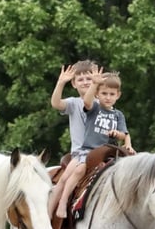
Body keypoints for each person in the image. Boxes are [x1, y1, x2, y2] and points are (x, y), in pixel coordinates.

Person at [55, 68, 135, 219]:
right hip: (89, 151)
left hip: (108, 152)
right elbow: (87, 101)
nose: (108, 97)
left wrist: (124, 140)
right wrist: (94, 84)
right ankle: (63, 201)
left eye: (112, 94)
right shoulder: (95, 108)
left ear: (118, 95)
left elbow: (124, 134)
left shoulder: (118, 115)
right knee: (79, 170)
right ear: (98, 94)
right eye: (104, 94)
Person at [47, 59, 99, 218]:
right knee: (64, 180)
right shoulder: (73, 103)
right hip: (81, 153)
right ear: (74, 84)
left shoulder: (103, 102)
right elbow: (56, 103)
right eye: (80, 79)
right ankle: (49, 214)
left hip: (100, 152)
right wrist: (60, 83)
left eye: (89, 78)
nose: (85, 82)